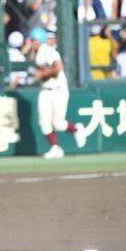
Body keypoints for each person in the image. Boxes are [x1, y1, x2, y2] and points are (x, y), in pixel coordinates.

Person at [28, 27, 86, 159]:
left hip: (58, 90)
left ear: (38, 40)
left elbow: (59, 67)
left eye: (33, 40)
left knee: (58, 123)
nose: (31, 43)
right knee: (44, 123)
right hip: (45, 90)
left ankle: (76, 129)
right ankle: (55, 148)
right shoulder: (37, 53)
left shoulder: (47, 51)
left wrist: (42, 74)